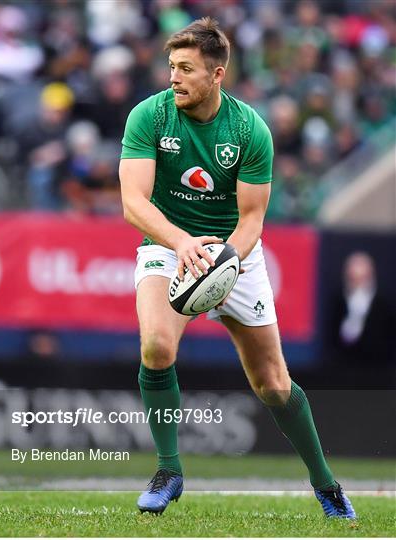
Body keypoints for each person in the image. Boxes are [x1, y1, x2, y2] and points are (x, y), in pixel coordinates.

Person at [119, 17, 356, 519]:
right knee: (157, 346)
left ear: (218, 73)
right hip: (168, 244)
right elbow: (133, 203)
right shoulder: (149, 116)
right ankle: (169, 470)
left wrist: (221, 261)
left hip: (235, 253)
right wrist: (183, 243)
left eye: (186, 68)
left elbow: (251, 221)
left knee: (273, 384)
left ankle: (326, 484)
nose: (174, 77)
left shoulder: (250, 129)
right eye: (171, 67)